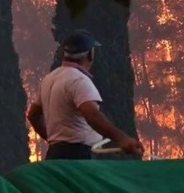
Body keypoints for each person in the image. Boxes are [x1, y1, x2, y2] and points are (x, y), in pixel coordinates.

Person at [26, 29, 144, 160]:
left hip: (54, 155)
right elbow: (92, 115)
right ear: (90, 54)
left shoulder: (49, 79)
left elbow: (33, 115)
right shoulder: (79, 80)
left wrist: (54, 142)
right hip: (78, 156)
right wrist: (123, 139)